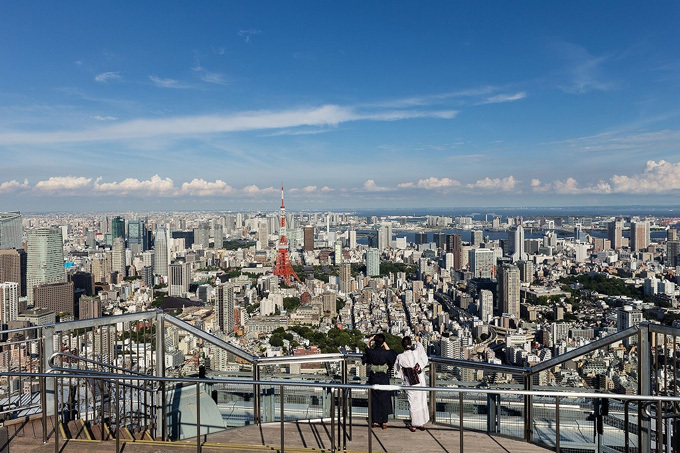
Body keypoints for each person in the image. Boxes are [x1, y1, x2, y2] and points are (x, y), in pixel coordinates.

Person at [362, 333, 397, 429]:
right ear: (382, 343)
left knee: (374, 398)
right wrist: (383, 343)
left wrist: (370, 340)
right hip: (384, 376)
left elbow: (367, 350)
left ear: (375, 342)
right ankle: (384, 422)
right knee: (384, 398)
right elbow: (391, 353)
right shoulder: (386, 353)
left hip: (374, 376)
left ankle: (375, 421)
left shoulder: (372, 352)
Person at [395, 336, 429, 431]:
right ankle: (421, 423)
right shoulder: (416, 352)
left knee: (413, 402)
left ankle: (414, 424)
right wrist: (417, 341)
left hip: (409, 380)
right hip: (420, 378)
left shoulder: (400, 356)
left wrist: (404, 376)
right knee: (421, 400)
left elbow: (398, 369)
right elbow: (422, 353)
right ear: (411, 344)